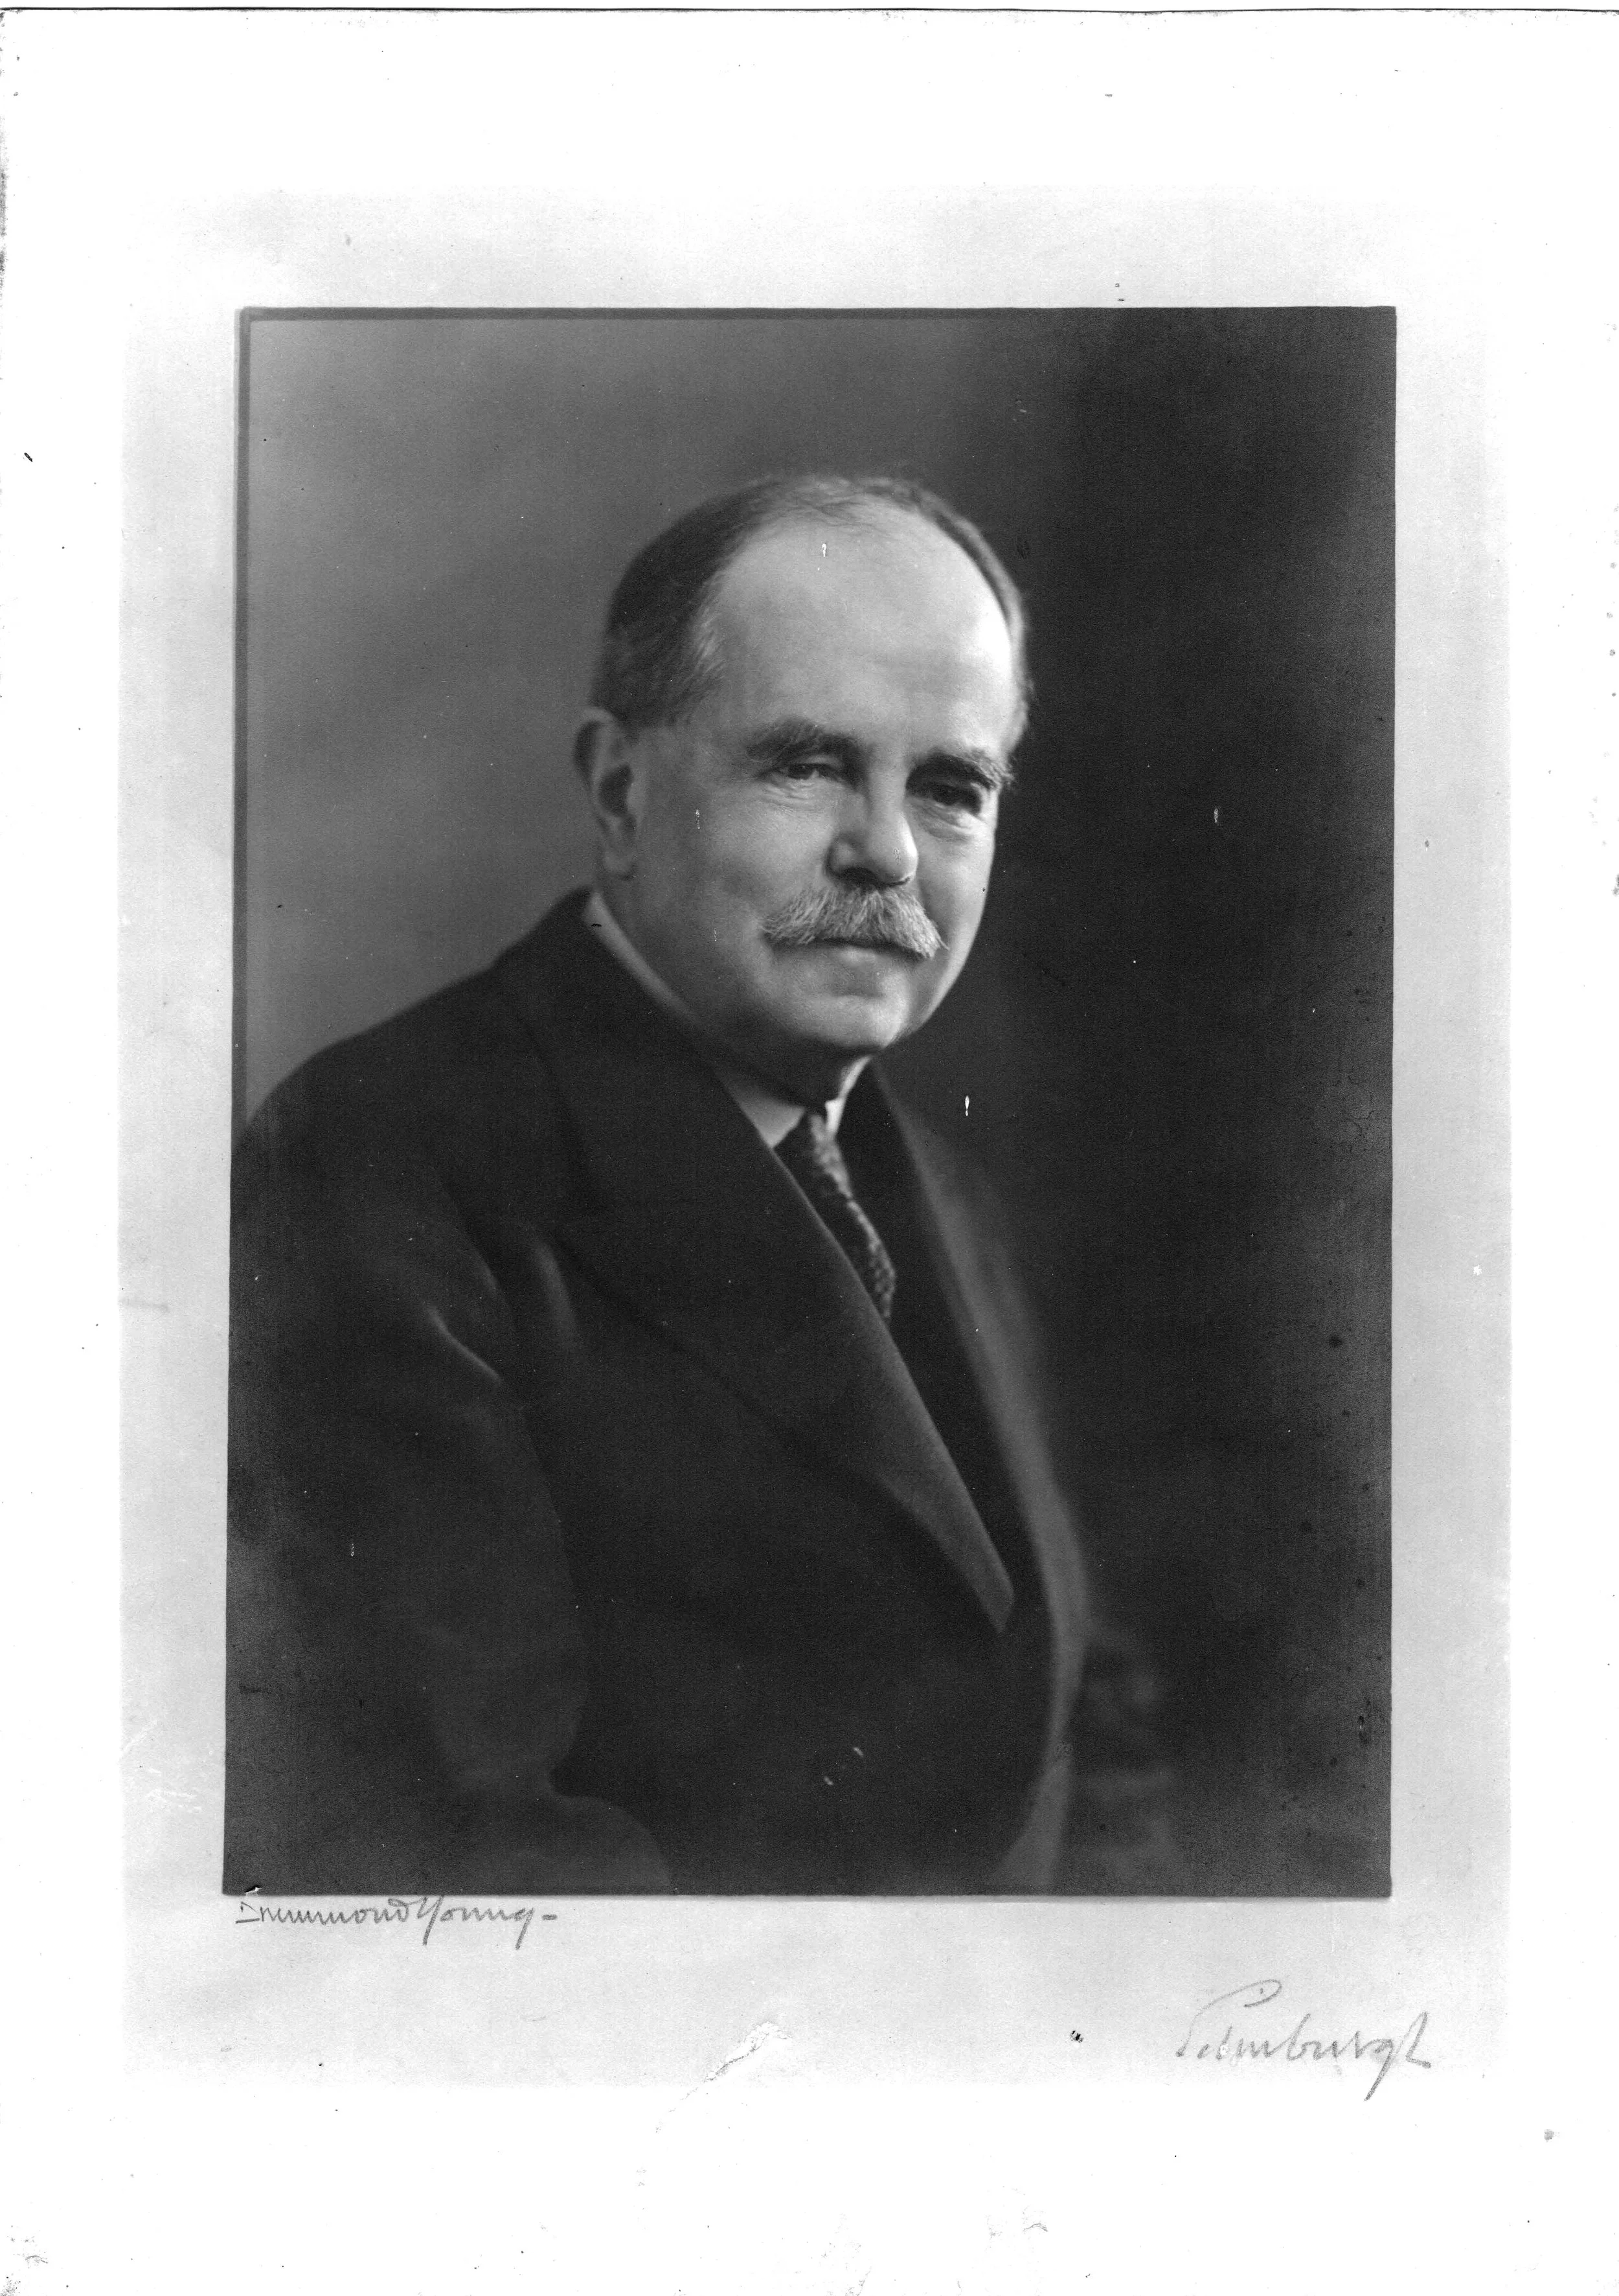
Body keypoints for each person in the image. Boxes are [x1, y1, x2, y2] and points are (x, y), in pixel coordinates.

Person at [225, 473, 1162, 1896]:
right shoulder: (380, 1163)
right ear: (620, 792)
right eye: (807, 764)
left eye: (951, 787)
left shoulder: (951, 1197)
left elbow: (1090, 1726)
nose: (887, 849)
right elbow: (474, 1852)